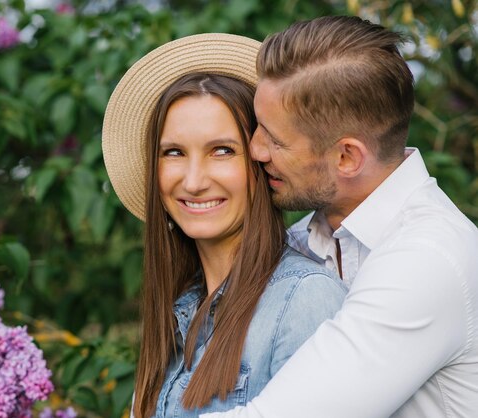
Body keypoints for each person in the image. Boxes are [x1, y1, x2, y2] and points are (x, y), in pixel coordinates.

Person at [202, 16, 478, 418]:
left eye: (274, 139)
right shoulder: (303, 240)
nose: (256, 149)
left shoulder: (427, 260)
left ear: (347, 157)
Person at [101, 34, 347, 418]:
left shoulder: (303, 301)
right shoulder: (182, 310)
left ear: (261, 159)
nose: (195, 180)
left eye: (222, 151)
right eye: (174, 153)